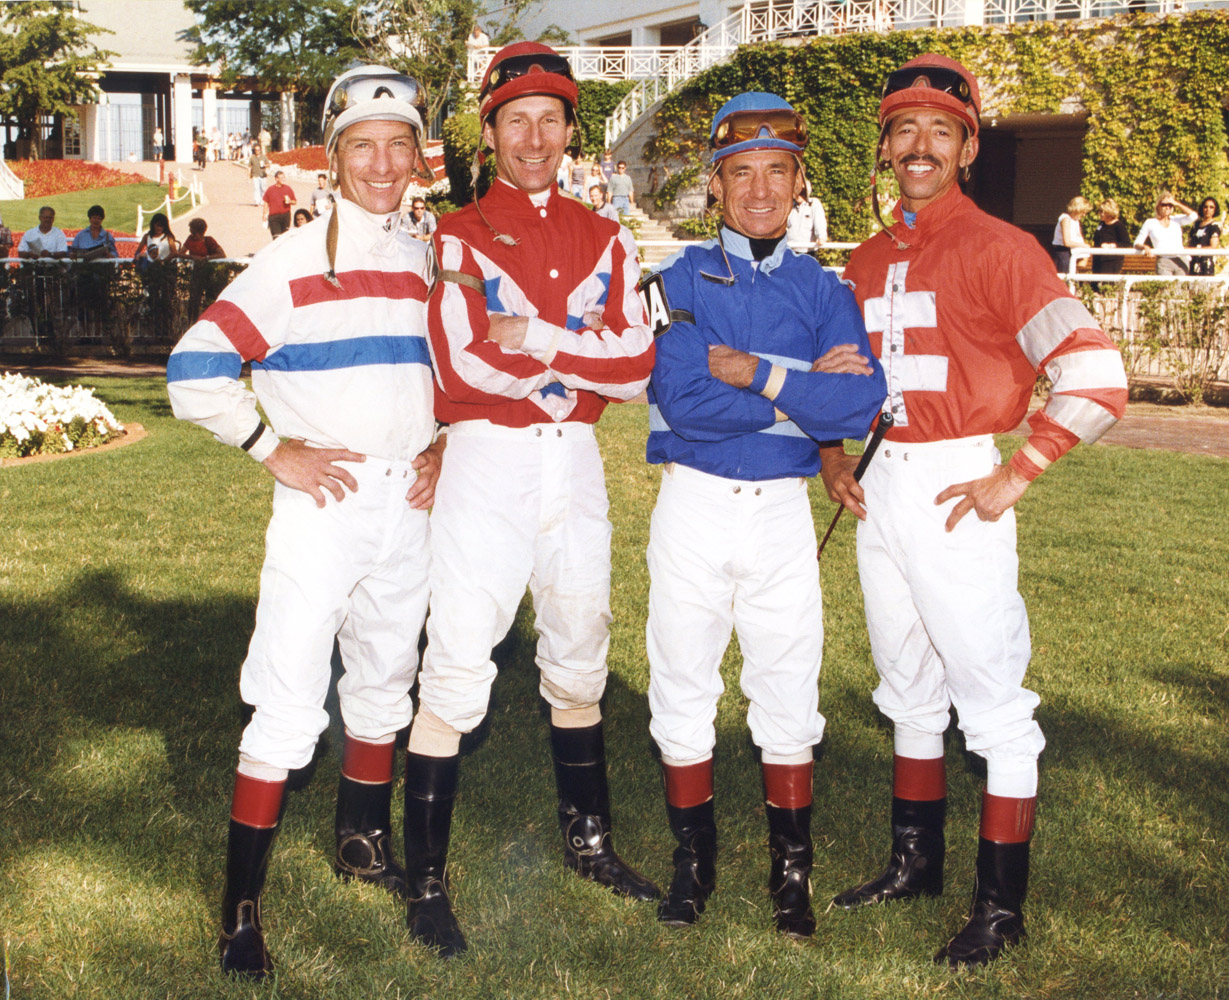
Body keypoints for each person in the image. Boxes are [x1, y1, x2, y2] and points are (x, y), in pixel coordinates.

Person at [819, 53, 1127, 968]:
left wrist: (1019, 470)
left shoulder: (1001, 247)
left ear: (965, 147)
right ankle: (912, 865)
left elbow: (1097, 374)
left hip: (959, 482)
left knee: (990, 702)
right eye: (904, 131)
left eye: (939, 132)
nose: (919, 146)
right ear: (885, 147)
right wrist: (832, 454)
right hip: (882, 487)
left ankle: (1001, 905)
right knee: (907, 687)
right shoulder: (866, 258)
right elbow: (842, 383)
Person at [167, 65, 441, 981]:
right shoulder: (289, 259)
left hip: (407, 505)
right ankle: (239, 912)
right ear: (334, 156)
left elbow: (442, 377)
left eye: (397, 143)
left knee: (384, 680)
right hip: (323, 506)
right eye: (362, 144)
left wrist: (439, 442)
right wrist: (268, 446)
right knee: (286, 698)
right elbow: (192, 369)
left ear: (417, 155)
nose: (381, 162)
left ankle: (361, 842)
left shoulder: (427, 254)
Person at [409, 41, 658, 958]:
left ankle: (588, 841)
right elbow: (461, 357)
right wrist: (575, 353)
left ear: (567, 130)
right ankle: (427, 881)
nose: (534, 137)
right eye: (516, 120)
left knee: (580, 642)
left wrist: (541, 339)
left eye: (550, 119)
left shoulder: (607, 234)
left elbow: (636, 368)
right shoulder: (457, 233)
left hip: (576, 464)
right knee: (460, 653)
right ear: (489, 132)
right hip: (487, 462)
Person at [645, 92, 885, 936]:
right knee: (682, 680)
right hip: (696, 501)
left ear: (796, 181)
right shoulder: (672, 279)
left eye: (775, 171)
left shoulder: (825, 285)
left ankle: (791, 876)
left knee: (787, 685)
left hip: (780, 509)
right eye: (738, 172)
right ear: (714, 186)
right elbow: (682, 401)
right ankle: (693, 863)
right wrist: (804, 394)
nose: (757, 190)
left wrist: (758, 373)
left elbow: (862, 405)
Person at [1134, 194, 1197, 275]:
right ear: (1158, 206)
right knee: (1166, 287)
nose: (1167, 207)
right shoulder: (1150, 222)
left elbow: (1193, 216)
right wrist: (1144, 247)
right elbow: (1137, 243)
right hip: (1163, 261)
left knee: (1181, 287)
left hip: (1181, 259)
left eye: (1170, 205)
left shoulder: (1176, 220)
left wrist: (1177, 203)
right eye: (1164, 205)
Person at [1091, 198, 1130, 288]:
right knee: (1094, 285)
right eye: (1099, 211)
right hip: (1098, 259)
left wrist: (1112, 245)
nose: (1100, 214)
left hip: (1111, 260)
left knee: (1107, 286)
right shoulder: (1101, 224)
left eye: (1102, 211)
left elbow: (1126, 243)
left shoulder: (1119, 226)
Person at [1051, 196, 1091, 274]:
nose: (1084, 215)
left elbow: (1078, 237)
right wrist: (1083, 245)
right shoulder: (1065, 219)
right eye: (1083, 212)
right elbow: (1067, 242)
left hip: (1071, 252)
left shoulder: (1075, 220)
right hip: (1062, 252)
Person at [1188, 196, 1221, 276]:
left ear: (1215, 210)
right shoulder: (1196, 225)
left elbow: (1213, 246)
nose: (1208, 209)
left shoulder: (1214, 226)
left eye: (1211, 207)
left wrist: (1196, 249)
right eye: (1205, 207)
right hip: (1193, 261)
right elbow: (1190, 242)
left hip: (1205, 263)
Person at [262, 171, 297, 239]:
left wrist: (290, 201)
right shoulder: (270, 189)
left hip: (285, 216)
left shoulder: (288, 188)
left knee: (285, 238)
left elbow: (294, 202)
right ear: (276, 179)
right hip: (274, 217)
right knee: (276, 238)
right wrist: (264, 214)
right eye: (282, 178)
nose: (284, 179)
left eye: (284, 177)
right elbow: (266, 201)